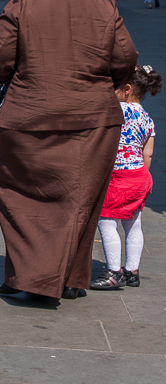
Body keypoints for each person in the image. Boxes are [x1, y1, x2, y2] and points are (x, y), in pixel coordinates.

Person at [0, 0, 138, 300]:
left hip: (27, 117)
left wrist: (16, 76)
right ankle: (69, 278)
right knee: (80, 202)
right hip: (93, 122)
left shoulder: (23, 1)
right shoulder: (104, 5)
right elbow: (125, 57)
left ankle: (26, 276)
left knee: (20, 198)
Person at [89, 64, 160, 290]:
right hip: (139, 175)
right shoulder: (148, 119)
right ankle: (132, 271)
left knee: (106, 221)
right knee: (133, 225)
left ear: (127, 89)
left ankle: (113, 272)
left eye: (116, 87)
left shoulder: (117, 110)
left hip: (119, 176)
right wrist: (141, 177)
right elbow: (147, 153)